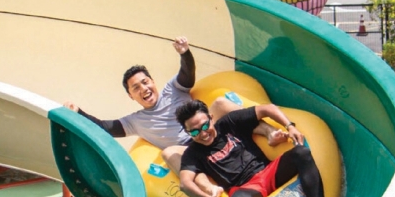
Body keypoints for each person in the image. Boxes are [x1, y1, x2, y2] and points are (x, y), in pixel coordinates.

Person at [63, 37, 284, 162]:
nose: (144, 89)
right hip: (190, 148)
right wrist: (78, 112)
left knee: (220, 104)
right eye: (136, 88)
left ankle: (269, 132)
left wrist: (185, 53)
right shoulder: (136, 121)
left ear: (153, 82)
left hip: (211, 129)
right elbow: (105, 127)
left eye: (145, 82)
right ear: (131, 96)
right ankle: (207, 192)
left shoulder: (173, 89)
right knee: (170, 153)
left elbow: (188, 74)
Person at [174, 99, 332, 197]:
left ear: (211, 118)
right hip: (245, 188)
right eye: (194, 132)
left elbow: (268, 108)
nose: (203, 133)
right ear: (187, 133)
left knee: (301, 153)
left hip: (268, 170)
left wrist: (289, 126)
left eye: (205, 125)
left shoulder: (228, 123)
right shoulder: (192, 154)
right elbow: (185, 184)